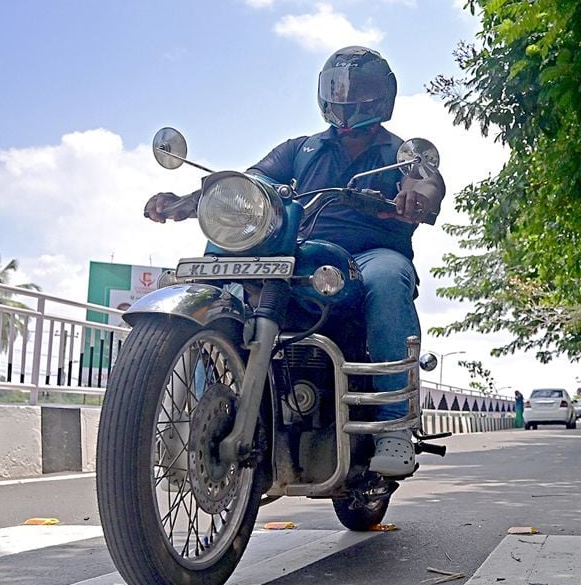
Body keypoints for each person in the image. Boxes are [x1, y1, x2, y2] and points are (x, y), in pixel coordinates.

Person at [143, 46, 444, 478]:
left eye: (359, 89)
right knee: (227, 282)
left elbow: (429, 183)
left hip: (370, 252)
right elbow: (251, 183)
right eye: (337, 87)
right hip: (301, 252)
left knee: (388, 278)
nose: (346, 97)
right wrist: (191, 201)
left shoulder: (401, 154)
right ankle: (190, 411)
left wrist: (417, 195)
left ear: (383, 95)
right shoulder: (300, 151)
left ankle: (391, 427)